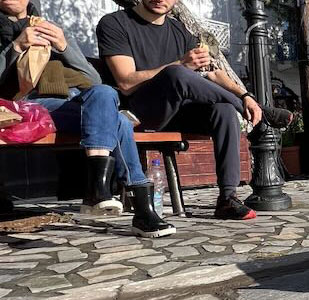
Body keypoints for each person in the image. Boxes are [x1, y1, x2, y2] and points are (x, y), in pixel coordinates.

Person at [97, 0, 293, 220]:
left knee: (224, 109)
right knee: (176, 74)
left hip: (177, 112)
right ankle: (263, 114)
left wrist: (245, 96)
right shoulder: (115, 23)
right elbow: (125, 81)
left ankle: (227, 199)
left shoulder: (179, 29)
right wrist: (179, 64)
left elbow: (213, 72)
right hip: (138, 115)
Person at [0, 0, 173, 237]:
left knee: (105, 94)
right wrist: (16, 47)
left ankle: (100, 191)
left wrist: (64, 45)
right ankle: (140, 209)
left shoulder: (50, 26)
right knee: (118, 120)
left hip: (71, 102)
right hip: (25, 105)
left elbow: (92, 79)